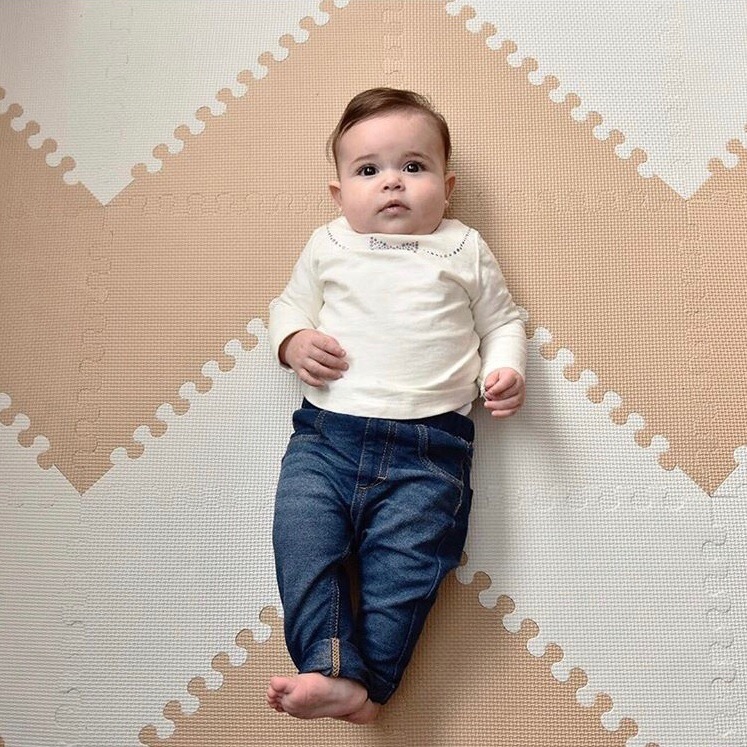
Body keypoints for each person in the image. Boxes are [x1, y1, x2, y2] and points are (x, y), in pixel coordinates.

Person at [266, 88, 527, 723]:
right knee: (302, 541)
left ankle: (369, 686)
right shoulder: (328, 244)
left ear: (448, 187)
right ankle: (327, 664)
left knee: (407, 570)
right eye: (368, 170)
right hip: (326, 439)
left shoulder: (462, 248)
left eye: (414, 166)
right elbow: (288, 307)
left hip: (429, 449)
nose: (392, 183)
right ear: (338, 195)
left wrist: (506, 368)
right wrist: (293, 342)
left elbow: (502, 321)